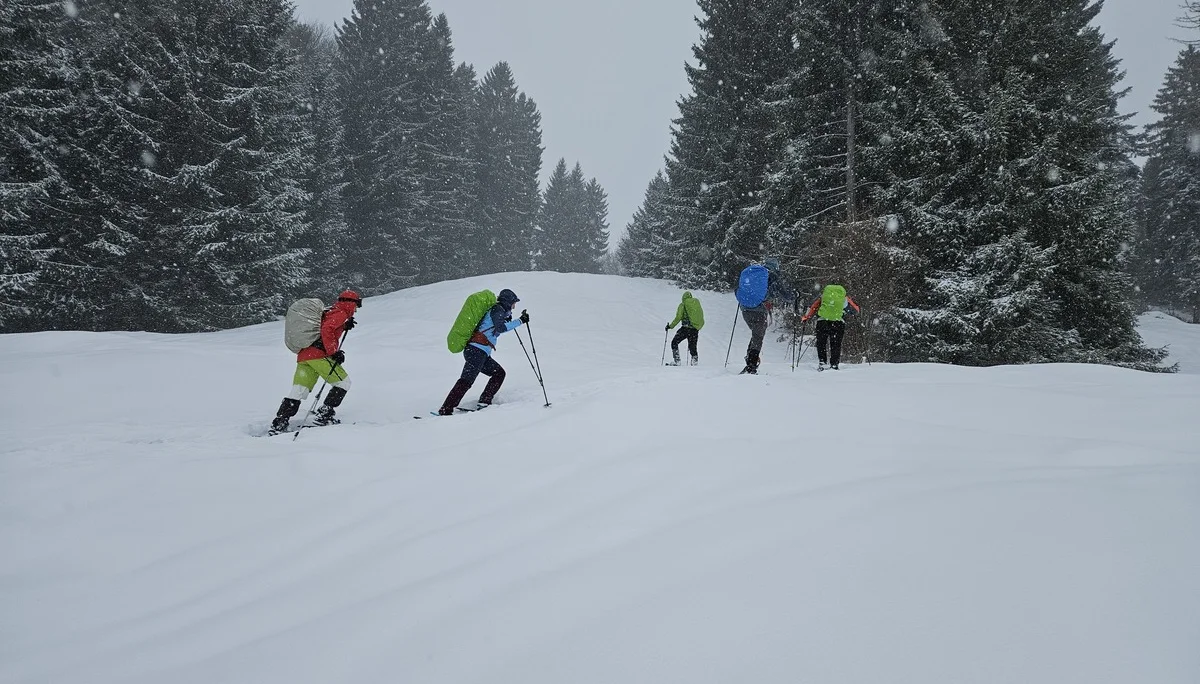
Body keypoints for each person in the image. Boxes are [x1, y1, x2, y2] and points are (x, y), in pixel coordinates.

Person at [269, 290, 361, 434]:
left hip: (304, 355)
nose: (356, 309)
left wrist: (343, 326)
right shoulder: (340, 313)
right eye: (357, 304)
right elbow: (327, 329)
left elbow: (325, 326)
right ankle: (324, 415)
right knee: (343, 383)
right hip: (318, 355)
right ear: (351, 303)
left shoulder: (330, 311)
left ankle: (280, 422)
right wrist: (333, 352)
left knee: (299, 389)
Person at [438, 288, 528, 415]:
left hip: (479, 352)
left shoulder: (499, 311)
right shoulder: (497, 310)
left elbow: (495, 326)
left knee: (499, 373)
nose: (514, 306)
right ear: (508, 302)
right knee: (466, 381)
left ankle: (484, 401)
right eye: (514, 303)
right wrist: (520, 321)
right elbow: (500, 328)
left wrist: (508, 318)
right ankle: (446, 409)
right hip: (476, 351)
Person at [739, 258, 793, 374]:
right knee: (758, 336)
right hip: (759, 310)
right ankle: (751, 365)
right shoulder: (772, 276)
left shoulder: (754, 274)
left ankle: (750, 360)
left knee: (756, 334)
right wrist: (794, 295)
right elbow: (785, 295)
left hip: (745, 309)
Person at [801, 284, 861, 370]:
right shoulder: (844, 299)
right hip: (838, 323)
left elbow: (813, 307)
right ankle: (834, 364)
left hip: (822, 321)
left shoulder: (823, 297)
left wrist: (806, 317)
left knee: (821, 343)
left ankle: (822, 362)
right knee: (836, 344)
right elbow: (855, 310)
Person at [665, 291, 704, 365]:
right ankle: (694, 362)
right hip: (695, 329)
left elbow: (678, 317)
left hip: (685, 329)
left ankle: (677, 361)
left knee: (674, 342)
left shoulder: (683, 305)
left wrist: (670, 326)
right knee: (693, 346)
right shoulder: (695, 304)